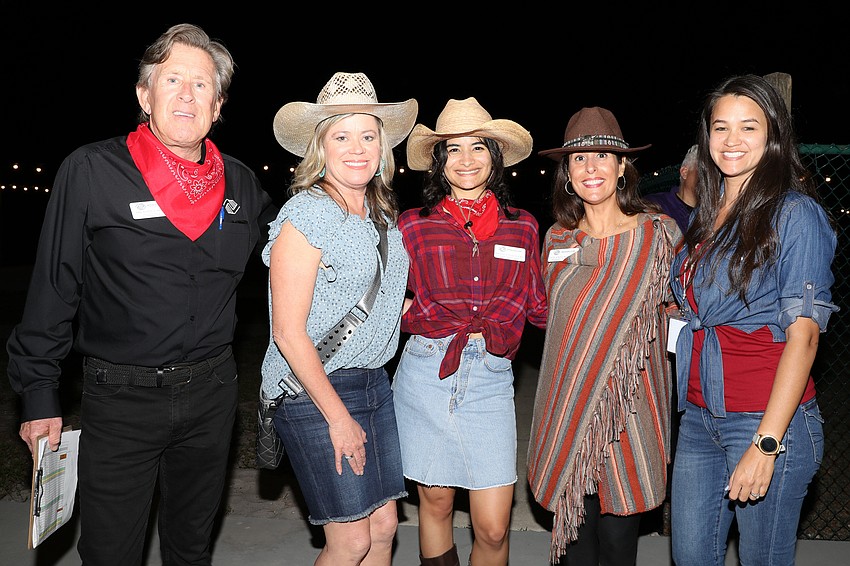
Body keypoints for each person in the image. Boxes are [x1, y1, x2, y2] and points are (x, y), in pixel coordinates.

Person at [5, 23, 276, 565]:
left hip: (212, 393)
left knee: (191, 548)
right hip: (120, 398)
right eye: (171, 79)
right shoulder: (92, 170)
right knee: (110, 552)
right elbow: (54, 288)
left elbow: (295, 261)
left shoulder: (242, 185)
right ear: (143, 94)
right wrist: (40, 394)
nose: (185, 94)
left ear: (218, 105)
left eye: (201, 85)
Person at [669, 74, 838, 566]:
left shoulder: (794, 214)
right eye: (721, 128)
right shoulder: (710, 212)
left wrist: (767, 444)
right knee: (690, 558)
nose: (732, 140)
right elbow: (709, 307)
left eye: (749, 127)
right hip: (700, 419)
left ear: (773, 137)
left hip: (764, 422)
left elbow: (803, 337)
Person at [261, 71, 417, 566]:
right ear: (320, 147)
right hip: (314, 388)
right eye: (341, 135)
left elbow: (385, 299)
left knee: (384, 527)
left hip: (374, 383)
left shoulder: (382, 213)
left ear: (383, 146)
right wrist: (338, 418)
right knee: (349, 540)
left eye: (368, 135)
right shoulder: (305, 214)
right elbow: (287, 331)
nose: (357, 147)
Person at [392, 97, 547, 566]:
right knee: (435, 505)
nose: (466, 160)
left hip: (491, 376)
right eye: (453, 150)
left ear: (494, 158)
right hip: (427, 370)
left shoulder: (523, 228)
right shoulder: (413, 226)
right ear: (439, 161)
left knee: (494, 527)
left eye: (478, 147)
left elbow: (540, 305)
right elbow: (390, 297)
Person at [527, 106, 683, 564]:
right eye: (578, 159)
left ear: (621, 168)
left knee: (617, 547)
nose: (590, 167)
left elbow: (680, 312)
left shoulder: (659, 236)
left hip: (630, 413)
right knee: (575, 543)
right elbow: (553, 329)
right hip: (567, 407)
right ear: (567, 173)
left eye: (601, 156)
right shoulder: (556, 239)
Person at [644, 143, 699, 233]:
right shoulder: (655, 206)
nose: (710, 177)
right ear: (684, 172)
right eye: (703, 171)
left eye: (714, 173)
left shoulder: (715, 214)